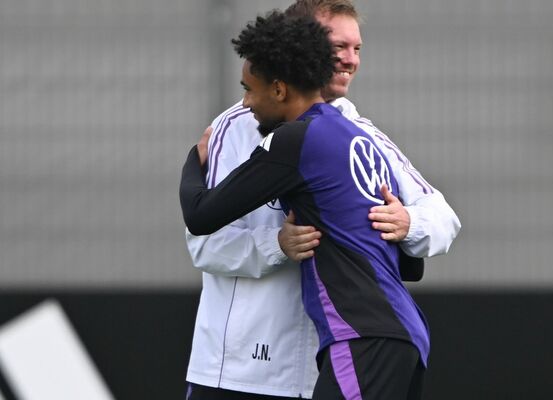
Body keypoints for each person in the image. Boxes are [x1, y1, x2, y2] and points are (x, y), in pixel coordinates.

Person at [183, 1, 460, 399]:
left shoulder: (360, 133)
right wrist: (276, 245)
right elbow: (203, 241)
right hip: (238, 372)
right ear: (302, 45)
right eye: (338, 47)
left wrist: (408, 223)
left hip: (329, 363)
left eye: (357, 48)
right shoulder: (240, 124)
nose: (349, 60)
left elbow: (443, 218)